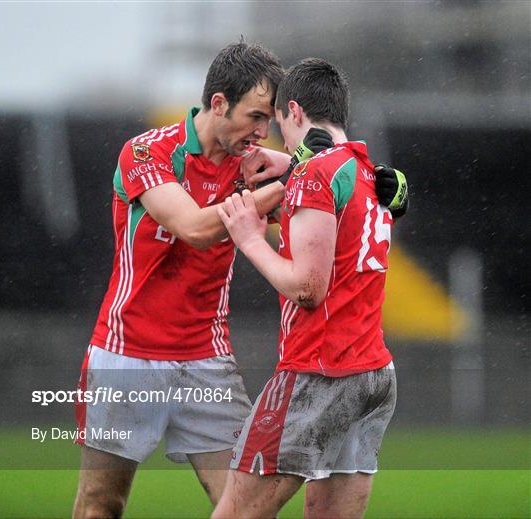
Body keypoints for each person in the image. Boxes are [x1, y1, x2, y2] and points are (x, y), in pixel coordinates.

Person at [73, 41, 407, 518]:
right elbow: (195, 229)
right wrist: (292, 176)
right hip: (126, 355)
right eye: (254, 117)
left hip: (208, 362)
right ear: (217, 103)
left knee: (246, 508)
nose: (262, 132)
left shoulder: (252, 165)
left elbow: (328, 204)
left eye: (270, 119)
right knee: (100, 506)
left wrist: (375, 185)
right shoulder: (147, 151)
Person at [213, 58, 398, 519]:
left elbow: (308, 290)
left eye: (277, 123)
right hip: (372, 375)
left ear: (293, 112)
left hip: (320, 371)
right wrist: (292, 165)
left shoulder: (317, 175)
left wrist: (250, 239)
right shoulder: (370, 173)